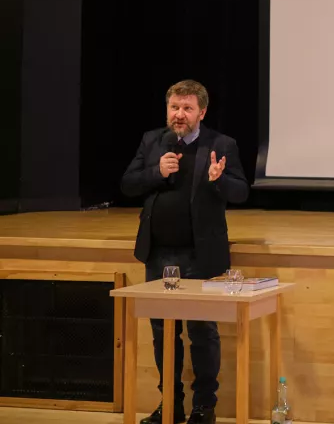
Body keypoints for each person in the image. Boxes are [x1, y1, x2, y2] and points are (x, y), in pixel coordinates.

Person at [121, 80, 249, 424]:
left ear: (201, 112)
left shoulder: (221, 144)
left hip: (200, 256)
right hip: (159, 255)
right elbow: (127, 184)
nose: (179, 114)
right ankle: (171, 405)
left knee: (201, 332)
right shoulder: (152, 141)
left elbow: (241, 192)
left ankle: (204, 407)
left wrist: (218, 180)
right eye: (174, 107)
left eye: (187, 108)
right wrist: (156, 172)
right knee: (163, 334)